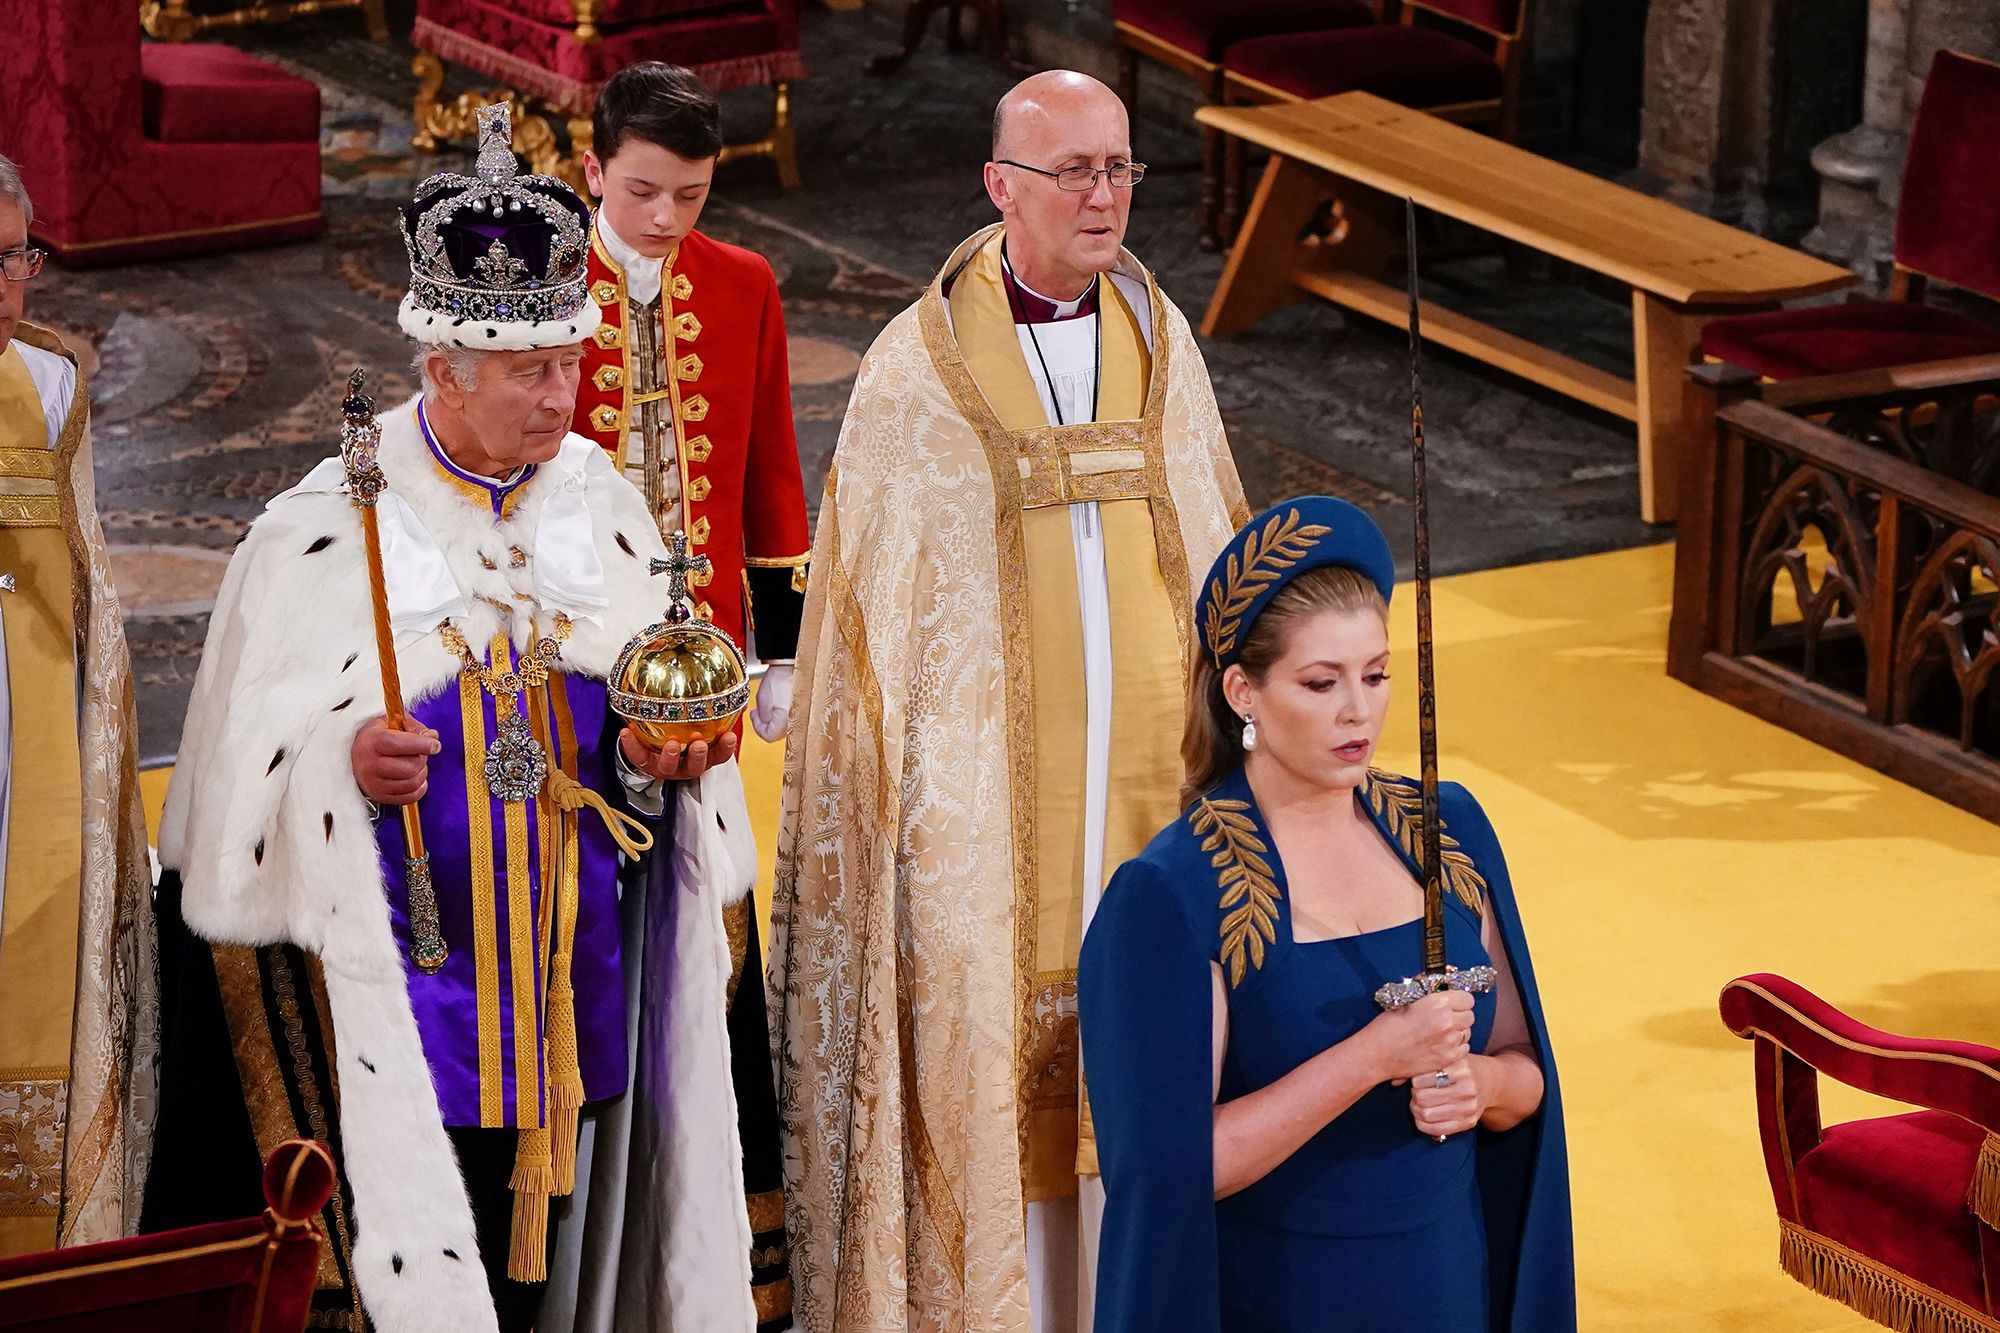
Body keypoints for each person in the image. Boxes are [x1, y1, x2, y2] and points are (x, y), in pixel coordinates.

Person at [144, 108, 759, 1333]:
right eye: (530, 373)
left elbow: (649, 756)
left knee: (565, 1262)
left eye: (570, 364)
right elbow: (241, 797)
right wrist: (345, 762)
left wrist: (646, 757)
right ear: (443, 372)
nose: (561, 397)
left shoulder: (602, 501)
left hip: (577, 975)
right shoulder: (326, 526)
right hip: (416, 996)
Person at [770, 69, 1247, 1333]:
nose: (1103, 198)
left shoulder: (1159, 336)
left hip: (1153, 782)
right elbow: (881, 618)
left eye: (1120, 169)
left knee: (1149, 1044)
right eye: (1073, 172)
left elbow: (1213, 544)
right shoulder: (917, 372)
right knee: (991, 1066)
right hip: (981, 813)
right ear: (1000, 185)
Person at [1078, 496, 1575, 1331]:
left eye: (1377, 675)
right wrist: (1375, 1055)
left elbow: (1525, 1069)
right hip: (1282, 1297)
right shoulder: (1170, 893)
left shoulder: (1450, 832)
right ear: (1243, 691)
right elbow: (1174, 1168)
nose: (1360, 711)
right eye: (1321, 682)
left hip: (1449, 1284)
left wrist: (1481, 1085)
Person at [552, 62, 808, 1333]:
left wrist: (785, 652)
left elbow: (770, 475)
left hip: (708, 682)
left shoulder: (745, 286)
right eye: (643, 191)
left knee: (713, 915)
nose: (664, 220)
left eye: (691, 195)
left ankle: (713, 1217)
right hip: (571, 686)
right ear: (591, 167)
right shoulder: (542, 283)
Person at [0, 151, 156, 1258]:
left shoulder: (45, 381)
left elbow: (83, 578)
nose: (12, 286)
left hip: (24, 722)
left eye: (20, 257)